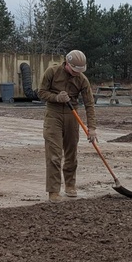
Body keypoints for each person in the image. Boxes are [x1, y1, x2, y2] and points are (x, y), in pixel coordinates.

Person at [38, 50, 96, 200]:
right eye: (75, 70)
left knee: (71, 153)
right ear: (67, 64)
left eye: (80, 71)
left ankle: (70, 185)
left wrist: (92, 128)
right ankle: (53, 190)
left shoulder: (82, 80)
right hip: (53, 115)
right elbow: (41, 92)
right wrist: (56, 97)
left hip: (72, 115)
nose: (77, 73)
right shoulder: (52, 72)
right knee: (54, 155)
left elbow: (89, 104)